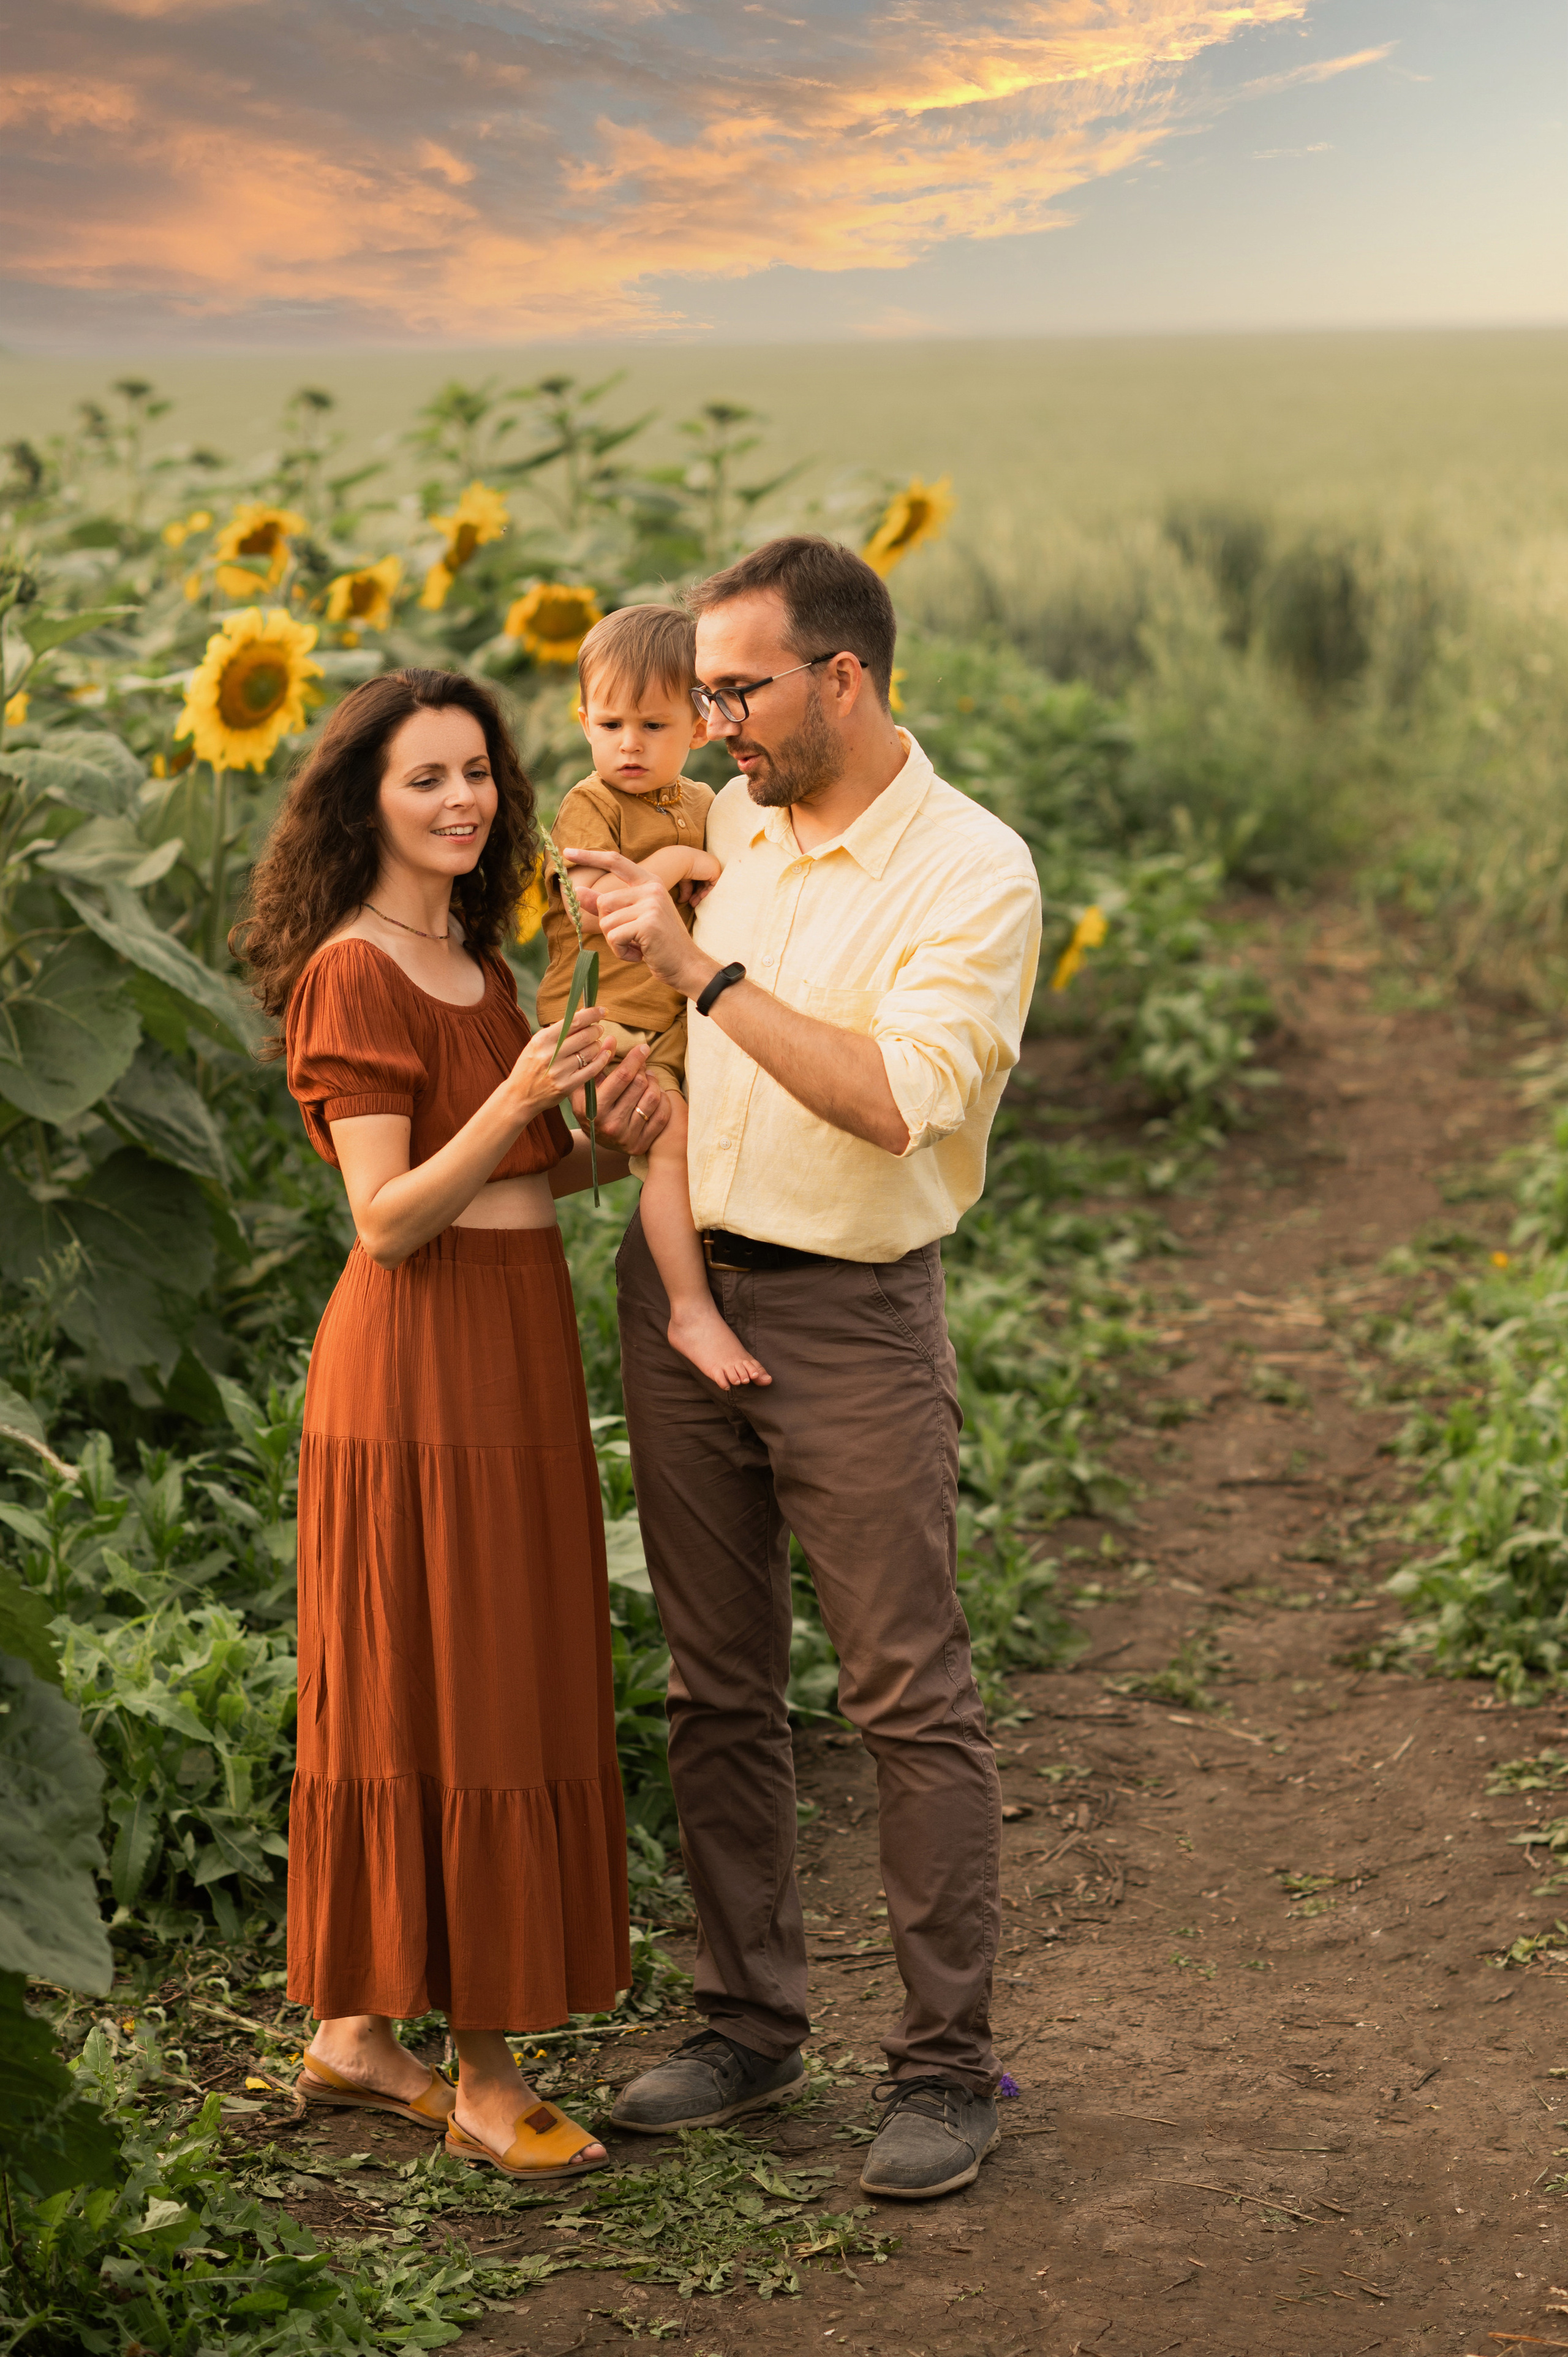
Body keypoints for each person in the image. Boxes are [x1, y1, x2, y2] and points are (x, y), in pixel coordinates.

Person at [587, 539, 1042, 2202]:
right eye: (702, 693)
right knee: (714, 1687)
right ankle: (748, 2025)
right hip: (683, 1292)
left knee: (905, 1695)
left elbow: (894, 1100)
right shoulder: (731, 827)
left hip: (850, 1316)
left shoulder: (970, 870)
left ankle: (944, 2069)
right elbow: (677, 1043)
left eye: (739, 690)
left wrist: (704, 973)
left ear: (842, 676)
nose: (711, 725)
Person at [234, 667, 671, 2184]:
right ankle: (483, 2075)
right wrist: (515, 1099)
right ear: (363, 800)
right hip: (413, 1364)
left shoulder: (481, 967)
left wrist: (612, 1139)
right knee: (457, 1683)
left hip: (514, 1347)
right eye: (425, 776)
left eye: (477, 772)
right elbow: (387, 1218)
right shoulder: (352, 973)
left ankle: (358, 2036)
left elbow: (514, 1181)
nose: (462, 799)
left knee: (484, 1667)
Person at [540, 604, 769, 1393]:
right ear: (584, 723)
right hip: (601, 1020)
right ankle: (688, 1309)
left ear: (700, 727)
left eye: (653, 725)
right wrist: (678, 864)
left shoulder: (706, 804)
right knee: (670, 1136)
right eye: (610, 725)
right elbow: (599, 904)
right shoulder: (592, 803)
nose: (629, 745)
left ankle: (726, 1281)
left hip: (673, 1020)